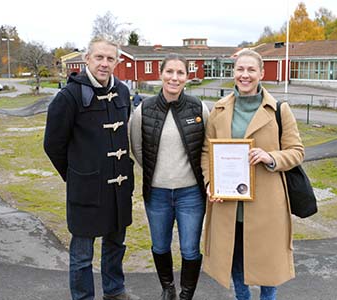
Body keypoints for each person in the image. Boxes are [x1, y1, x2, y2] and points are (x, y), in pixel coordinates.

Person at [200, 50, 304, 300]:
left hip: (267, 204)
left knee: (269, 264)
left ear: (261, 73)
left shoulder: (280, 109)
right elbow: (207, 151)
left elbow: (297, 151)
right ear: (233, 72)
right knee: (234, 259)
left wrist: (271, 157)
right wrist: (210, 181)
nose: (245, 75)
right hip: (229, 203)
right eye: (240, 70)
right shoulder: (219, 109)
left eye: (251, 70)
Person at [44, 36, 139, 300]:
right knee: (82, 254)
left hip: (118, 186)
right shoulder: (69, 96)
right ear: (87, 59)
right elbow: (53, 144)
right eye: (99, 57)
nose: (104, 63)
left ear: (117, 61)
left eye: (110, 58)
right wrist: (76, 175)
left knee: (115, 244)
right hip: (86, 189)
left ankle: (114, 290)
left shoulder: (121, 91)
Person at [130, 53, 210, 300]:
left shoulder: (199, 108)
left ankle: (187, 294)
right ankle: (168, 288)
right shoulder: (144, 109)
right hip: (158, 194)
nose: (174, 78)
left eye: (180, 73)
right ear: (161, 74)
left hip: (190, 195)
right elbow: (137, 148)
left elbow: (207, 147)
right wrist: (160, 173)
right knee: (160, 246)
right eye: (170, 72)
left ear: (187, 77)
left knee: (189, 249)